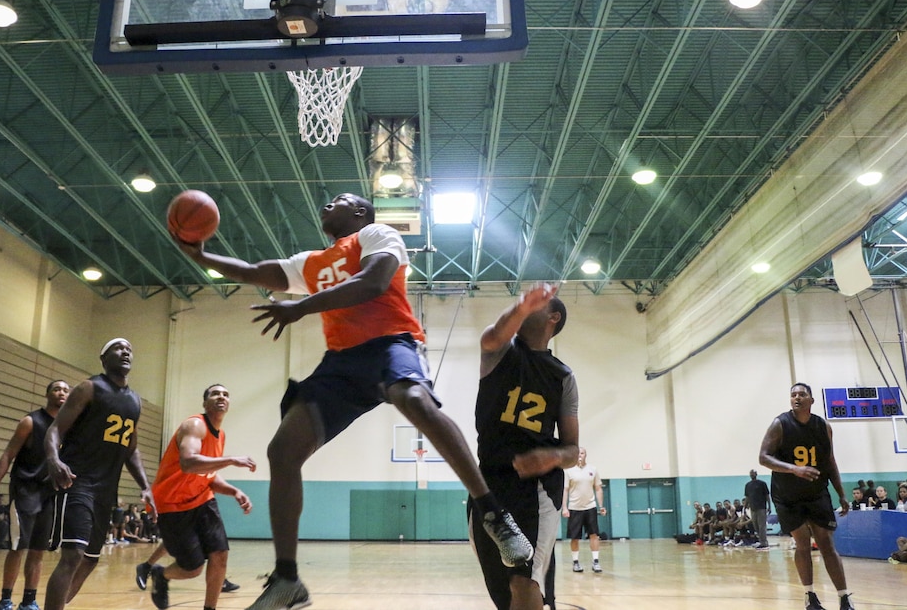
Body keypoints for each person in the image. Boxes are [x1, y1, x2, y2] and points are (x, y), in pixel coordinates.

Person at [177, 193, 535, 610]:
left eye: (338, 201)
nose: (327, 204)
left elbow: (373, 282)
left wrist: (302, 307)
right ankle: (288, 579)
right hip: (342, 363)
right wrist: (202, 255)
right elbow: (256, 270)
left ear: (361, 212)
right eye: (325, 201)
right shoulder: (309, 263)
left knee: (416, 400)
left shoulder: (376, 235)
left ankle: (493, 512)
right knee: (283, 449)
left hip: (390, 344)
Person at [469, 284, 579, 610]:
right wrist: (522, 305)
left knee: (524, 580)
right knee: (504, 591)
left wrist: (553, 456)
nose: (530, 307)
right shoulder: (499, 351)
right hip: (487, 484)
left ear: (553, 318)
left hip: (537, 488)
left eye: (541, 305)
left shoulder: (563, 377)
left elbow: (574, 451)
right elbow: (493, 334)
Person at [42, 339, 155, 610]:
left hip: (106, 490)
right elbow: (54, 429)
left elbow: (131, 449)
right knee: (72, 556)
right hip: (77, 482)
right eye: (118, 348)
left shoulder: (134, 401)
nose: (126, 351)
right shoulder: (89, 388)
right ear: (103, 358)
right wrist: (53, 459)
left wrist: (146, 486)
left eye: (130, 348)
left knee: (90, 559)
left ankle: (58, 605)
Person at [141, 383, 256, 610]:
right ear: (205, 403)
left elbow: (207, 476)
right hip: (172, 505)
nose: (221, 396)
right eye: (215, 393)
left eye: (225, 394)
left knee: (220, 554)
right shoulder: (195, 425)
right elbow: (189, 462)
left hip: (202, 500)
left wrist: (234, 490)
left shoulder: (220, 435)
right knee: (193, 568)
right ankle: (161, 575)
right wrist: (232, 460)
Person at [759, 382, 854, 610]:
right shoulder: (780, 424)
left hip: (816, 492)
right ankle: (810, 596)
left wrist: (841, 493)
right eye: (793, 395)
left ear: (811, 400)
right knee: (802, 543)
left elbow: (830, 461)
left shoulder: (823, 427)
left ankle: (844, 598)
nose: (797, 398)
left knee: (826, 543)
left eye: (802, 394)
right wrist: (794, 469)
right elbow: (763, 457)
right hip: (788, 495)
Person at [0, 379, 70, 610]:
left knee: (38, 550)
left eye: (66, 390)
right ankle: (6, 599)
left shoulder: (67, 428)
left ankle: (29, 600)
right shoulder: (31, 422)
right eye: (57, 389)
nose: (61, 392)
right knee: (17, 547)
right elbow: (8, 455)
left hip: (49, 493)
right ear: (48, 394)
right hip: (25, 490)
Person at [563, 447, 605, 573]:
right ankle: (576, 562)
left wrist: (601, 505)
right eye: (578, 453)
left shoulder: (593, 470)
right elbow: (565, 490)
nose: (580, 455)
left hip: (590, 507)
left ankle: (596, 561)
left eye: (582, 453)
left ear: (585, 455)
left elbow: (598, 488)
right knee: (574, 537)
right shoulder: (568, 471)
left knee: (594, 535)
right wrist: (564, 507)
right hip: (575, 508)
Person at [744, 469, 771, 550]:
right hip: (753, 508)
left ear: (756, 474)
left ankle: (764, 543)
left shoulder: (762, 483)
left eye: (753, 473)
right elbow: (747, 497)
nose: (752, 474)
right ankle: (762, 541)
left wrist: (769, 507)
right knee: (755, 525)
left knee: (762, 525)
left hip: (762, 508)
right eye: (750, 473)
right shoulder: (748, 485)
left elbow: (767, 496)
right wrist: (745, 508)